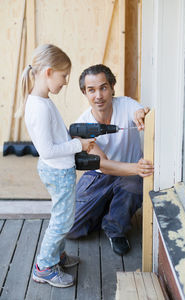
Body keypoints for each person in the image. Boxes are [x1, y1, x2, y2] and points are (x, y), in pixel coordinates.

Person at [18, 44, 95, 288]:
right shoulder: (39, 107)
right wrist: (78, 146)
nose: (65, 82)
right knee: (62, 221)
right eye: (64, 77)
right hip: (57, 170)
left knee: (61, 216)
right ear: (49, 72)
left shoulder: (42, 100)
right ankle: (44, 267)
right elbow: (47, 150)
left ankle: (57, 255)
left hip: (59, 169)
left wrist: (73, 141)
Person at [67, 64, 154, 255]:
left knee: (133, 185)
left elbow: (140, 112)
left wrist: (142, 114)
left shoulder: (127, 105)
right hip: (99, 174)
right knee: (71, 229)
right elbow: (102, 164)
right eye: (91, 90)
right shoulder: (82, 124)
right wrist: (136, 168)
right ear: (85, 92)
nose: (98, 95)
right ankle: (109, 209)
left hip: (129, 176)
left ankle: (115, 229)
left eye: (103, 87)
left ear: (112, 87)